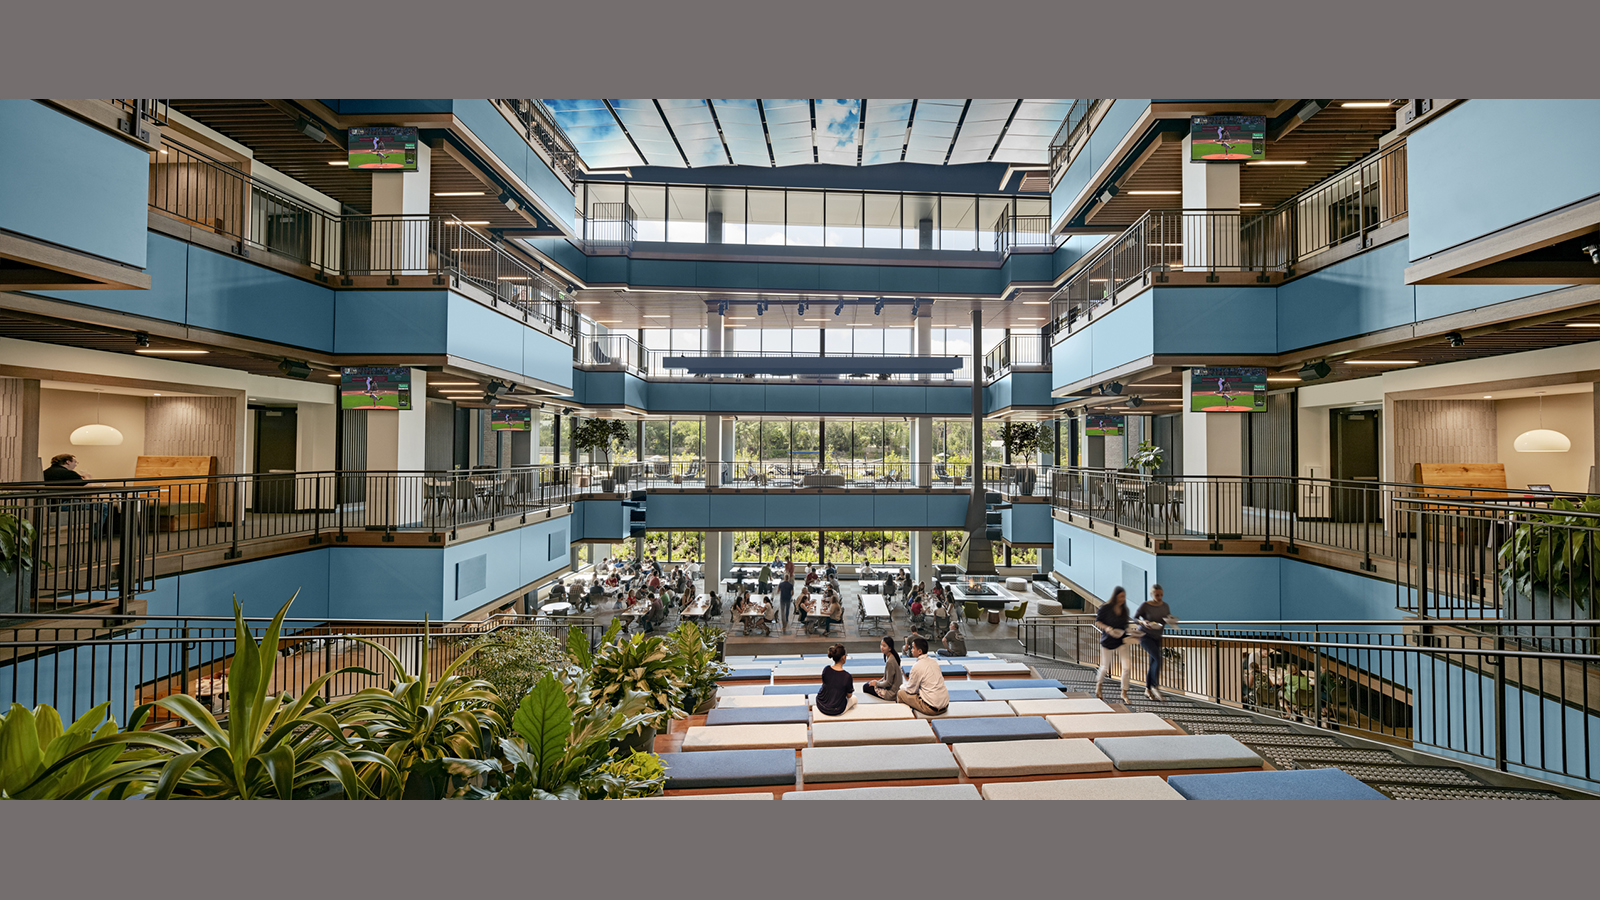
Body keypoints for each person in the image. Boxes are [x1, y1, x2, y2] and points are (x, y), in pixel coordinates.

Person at [1135, 583, 1175, 702]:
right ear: (1152, 594)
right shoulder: (1145, 606)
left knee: (1153, 661)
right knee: (1158, 659)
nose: (1159, 597)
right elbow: (1135, 618)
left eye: (1161, 595)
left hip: (1157, 637)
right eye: (1157, 595)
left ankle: (1147, 689)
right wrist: (1143, 622)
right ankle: (1155, 686)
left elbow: (1167, 618)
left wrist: (1170, 620)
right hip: (1144, 636)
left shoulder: (1165, 606)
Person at [1093, 586, 1133, 702]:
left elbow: (1125, 626)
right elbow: (1098, 621)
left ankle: (1124, 692)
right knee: (1105, 666)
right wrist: (1107, 628)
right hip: (1108, 640)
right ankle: (1099, 686)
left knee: (1127, 667)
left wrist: (1132, 633)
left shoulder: (1124, 610)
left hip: (1121, 640)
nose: (1123, 599)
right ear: (1115, 596)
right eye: (1121, 596)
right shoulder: (1105, 608)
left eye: (1124, 597)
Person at [896, 637, 949, 716]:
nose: (911, 650)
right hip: (945, 705)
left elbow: (911, 690)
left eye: (913, 648)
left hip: (931, 708)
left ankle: (904, 718)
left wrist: (902, 686)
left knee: (900, 693)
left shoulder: (917, 666)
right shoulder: (934, 662)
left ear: (920, 651)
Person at [813, 644, 857, 717]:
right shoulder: (847, 676)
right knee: (854, 699)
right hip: (836, 709)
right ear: (843, 657)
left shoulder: (826, 669)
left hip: (821, 704)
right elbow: (849, 696)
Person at [863, 636, 904, 701]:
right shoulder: (892, 656)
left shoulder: (890, 661)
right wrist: (877, 682)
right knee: (869, 684)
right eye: (881, 645)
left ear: (890, 648)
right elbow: (886, 678)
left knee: (866, 687)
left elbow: (888, 683)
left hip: (892, 693)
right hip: (894, 689)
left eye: (884, 646)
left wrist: (876, 683)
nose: (882, 647)